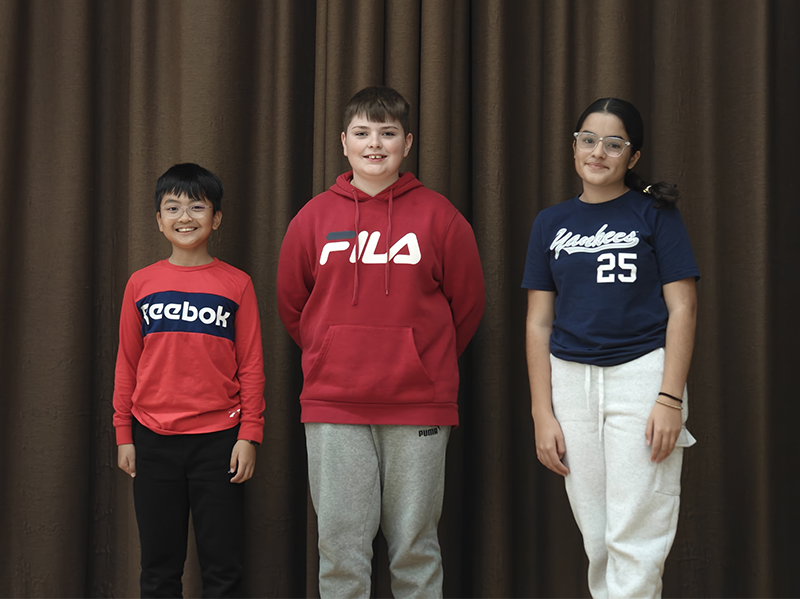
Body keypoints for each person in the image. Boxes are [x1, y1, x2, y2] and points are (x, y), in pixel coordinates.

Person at [277, 86, 485, 598]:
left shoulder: (441, 217)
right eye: (363, 133)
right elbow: (291, 305)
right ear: (343, 142)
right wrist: (331, 354)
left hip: (419, 404)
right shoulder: (312, 218)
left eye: (388, 133)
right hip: (334, 405)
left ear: (407, 142)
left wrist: (419, 361)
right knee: (341, 551)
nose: (375, 144)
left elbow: (468, 306)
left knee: (415, 549)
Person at [523, 98, 699, 599]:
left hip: (643, 375)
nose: (598, 152)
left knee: (636, 535)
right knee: (598, 536)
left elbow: (683, 309)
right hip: (570, 382)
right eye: (588, 140)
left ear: (633, 157)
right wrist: (542, 412)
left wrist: (670, 398)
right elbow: (538, 323)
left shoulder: (656, 215)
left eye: (614, 143)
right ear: (573, 146)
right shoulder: (549, 223)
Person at [113, 163, 265, 598]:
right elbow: (127, 362)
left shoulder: (237, 284)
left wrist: (249, 434)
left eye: (197, 207)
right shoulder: (141, 284)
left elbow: (251, 364)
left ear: (216, 218)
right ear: (158, 220)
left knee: (223, 567)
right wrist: (124, 432)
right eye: (173, 207)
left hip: (220, 440)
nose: (185, 217)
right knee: (159, 567)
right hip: (152, 439)